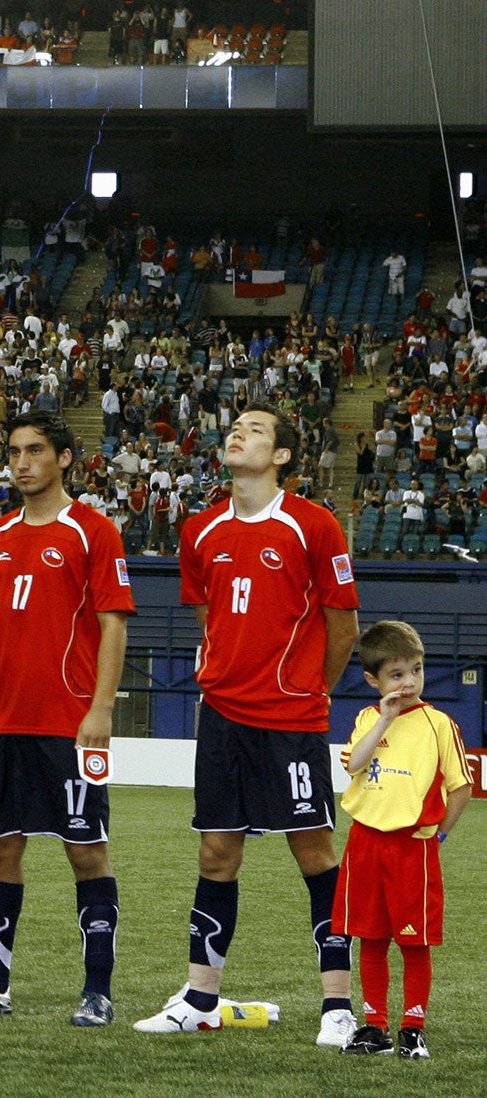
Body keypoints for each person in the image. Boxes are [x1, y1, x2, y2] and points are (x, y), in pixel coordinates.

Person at [135, 404, 361, 1043]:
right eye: (235, 426)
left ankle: (337, 1007)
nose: (238, 433)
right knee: (215, 854)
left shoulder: (312, 526)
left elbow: (342, 627)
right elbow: (209, 615)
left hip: (291, 720)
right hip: (223, 720)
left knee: (315, 854)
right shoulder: (199, 531)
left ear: (283, 455)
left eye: (256, 429)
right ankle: (200, 998)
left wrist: (307, 690)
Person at [0, 413, 133, 1026]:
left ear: (65, 459)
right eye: (15, 452)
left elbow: (113, 624)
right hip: (0, 723)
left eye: (36, 451)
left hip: (67, 724)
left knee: (86, 854)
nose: (22, 462)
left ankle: (97, 992)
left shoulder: (93, 532)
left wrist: (100, 707)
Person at [334, 621, 470, 1059]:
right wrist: (386, 718)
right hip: (365, 844)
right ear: (373, 680)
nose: (409, 681)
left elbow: (461, 786)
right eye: (396, 674)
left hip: (415, 846)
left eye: (416, 669)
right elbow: (353, 764)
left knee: (415, 941)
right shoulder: (366, 719)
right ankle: (375, 1027)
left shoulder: (439, 724)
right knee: (370, 938)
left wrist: (440, 834)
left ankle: (413, 1027)